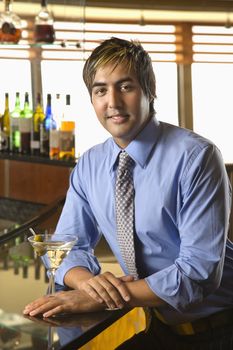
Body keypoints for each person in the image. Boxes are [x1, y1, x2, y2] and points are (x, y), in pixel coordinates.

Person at [23, 37, 233, 350]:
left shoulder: (197, 157)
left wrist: (102, 299)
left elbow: (198, 273)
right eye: (100, 90)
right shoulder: (90, 165)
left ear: (150, 89)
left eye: (126, 86)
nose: (113, 103)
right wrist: (89, 286)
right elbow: (68, 246)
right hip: (162, 327)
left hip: (219, 330)